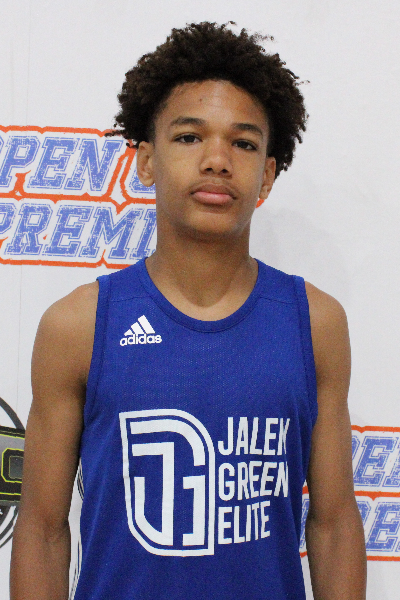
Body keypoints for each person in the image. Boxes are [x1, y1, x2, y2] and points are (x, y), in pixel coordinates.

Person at [10, 22, 366, 600]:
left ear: (267, 175)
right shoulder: (78, 326)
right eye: (189, 137)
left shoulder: (315, 323)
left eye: (243, 143)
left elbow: (332, 524)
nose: (217, 160)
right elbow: (43, 530)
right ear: (147, 161)